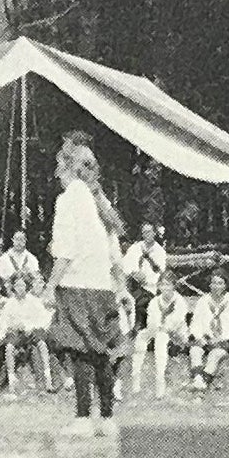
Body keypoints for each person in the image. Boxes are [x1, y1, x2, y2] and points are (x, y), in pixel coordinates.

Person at [43, 138, 130, 438]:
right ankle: (106, 418)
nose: (56, 172)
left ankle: (82, 418)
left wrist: (49, 286)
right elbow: (114, 254)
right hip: (102, 287)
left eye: (58, 165)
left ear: (67, 168)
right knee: (101, 353)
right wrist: (121, 288)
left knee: (78, 352)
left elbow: (65, 250)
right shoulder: (99, 201)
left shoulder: (68, 199)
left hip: (77, 286)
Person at [185, 272, 229, 393]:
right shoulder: (203, 300)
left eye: (220, 283)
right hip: (205, 337)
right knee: (195, 351)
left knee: (215, 354)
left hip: (223, 339)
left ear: (225, 285)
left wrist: (220, 339)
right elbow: (195, 322)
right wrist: (199, 337)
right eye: (214, 283)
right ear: (210, 285)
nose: (216, 286)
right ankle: (198, 379)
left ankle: (202, 382)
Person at [124, 223, 168, 328]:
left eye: (149, 232)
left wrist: (144, 279)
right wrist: (133, 273)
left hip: (149, 288)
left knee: (140, 303)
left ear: (154, 233)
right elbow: (125, 265)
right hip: (132, 285)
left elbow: (159, 272)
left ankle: (137, 328)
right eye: (144, 232)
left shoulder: (159, 251)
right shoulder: (135, 248)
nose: (146, 234)